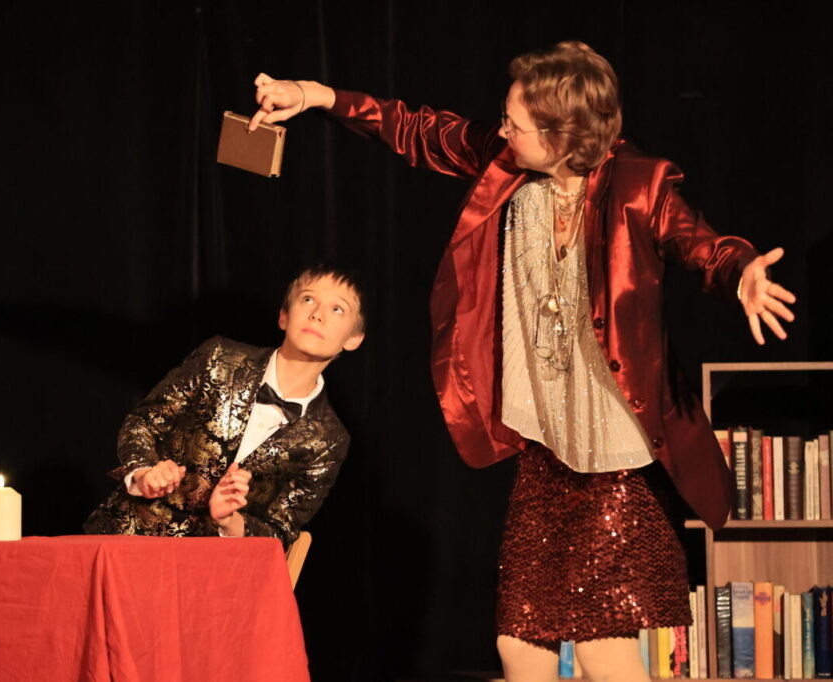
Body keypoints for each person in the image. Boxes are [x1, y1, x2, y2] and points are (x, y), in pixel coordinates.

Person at [248, 42, 795, 681]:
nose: (502, 130)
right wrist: (316, 96)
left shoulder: (638, 185)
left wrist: (740, 273)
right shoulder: (507, 162)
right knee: (519, 647)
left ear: (562, 137)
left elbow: (699, 244)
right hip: (545, 449)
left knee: (602, 647)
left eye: (516, 123)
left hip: (612, 455)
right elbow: (418, 129)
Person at [83, 264, 365, 547]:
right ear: (284, 316)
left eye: (337, 309)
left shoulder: (329, 440)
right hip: (125, 540)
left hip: (209, 567)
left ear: (353, 339)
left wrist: (230, 520)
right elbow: (144, 421)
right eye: (308, 299)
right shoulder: (219, 358)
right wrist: (145, 472)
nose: (317, 314)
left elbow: (280, 530)